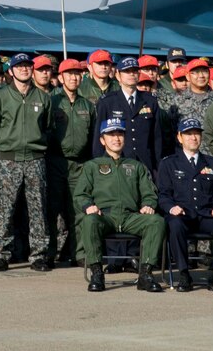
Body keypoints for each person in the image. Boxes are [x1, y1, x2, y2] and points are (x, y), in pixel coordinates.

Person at [75, 118, 165, 293]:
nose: (116, 139)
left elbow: (149, 192)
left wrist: (148, 204)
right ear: (102, 140)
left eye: (120, 134)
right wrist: (88, 206)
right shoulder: (92, 166)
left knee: (156, 221)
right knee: (89, 221)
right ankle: (96, 272)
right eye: (111, 135)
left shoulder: (136, 166)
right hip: (105, 216)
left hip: (130, 216)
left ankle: (145, 274)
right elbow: (80, 194)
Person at [0, 53, 51, 272]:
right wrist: (4, 150)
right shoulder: (0, 97)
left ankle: (39, 254)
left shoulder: (42, 98)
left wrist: (37, 146)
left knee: (38, 209)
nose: (24, 69)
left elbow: (48, 128)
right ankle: (2, 254)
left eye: (27, 66)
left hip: (35, 160)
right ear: (10, 71)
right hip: (8, 161)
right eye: (18, 66)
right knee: (5, 208)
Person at [157, 117, 213, 293]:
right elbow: (163, 194)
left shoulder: (212, 163)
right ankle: (184, 274)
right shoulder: (169, 163)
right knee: (174, 224)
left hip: (206, 214)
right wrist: (171, 207)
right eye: (188, 134)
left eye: (197, 134)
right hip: (182, 215)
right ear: (179, 137)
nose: (193, 137)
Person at [48, 58, 96, 266]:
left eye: (77, 74)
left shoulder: (87, 104)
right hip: (55, 162)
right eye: (69, 74)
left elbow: (94, 135)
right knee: (51, 210)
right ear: (61, 77)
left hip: (80, 164)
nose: (74, 77)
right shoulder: (51, 101)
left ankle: (80, 253)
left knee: (78, 210)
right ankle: (49, 253)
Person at [93, 57, 162, 173]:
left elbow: (157, 138)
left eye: (135, 71)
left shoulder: (150, 101)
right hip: (117, 164)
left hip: (145, 164)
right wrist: (100, 167)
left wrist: (158, 168)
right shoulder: (107, 102)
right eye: (127, 71)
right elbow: (98, 139)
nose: (131, 74)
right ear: (118, 75)